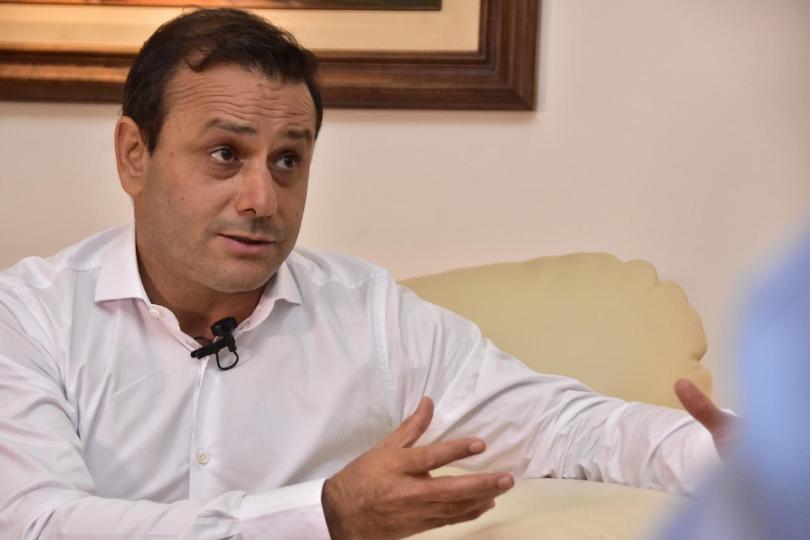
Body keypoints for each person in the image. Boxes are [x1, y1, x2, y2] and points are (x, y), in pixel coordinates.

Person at [0, 8, 732, 539]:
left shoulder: (369, 316)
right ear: (135, 156)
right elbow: (34, 521)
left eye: (288, 160)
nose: (261, 198)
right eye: (225, 154)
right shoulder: (29, 317)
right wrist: (326, 516)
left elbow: (570, 430)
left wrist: (733, 455)